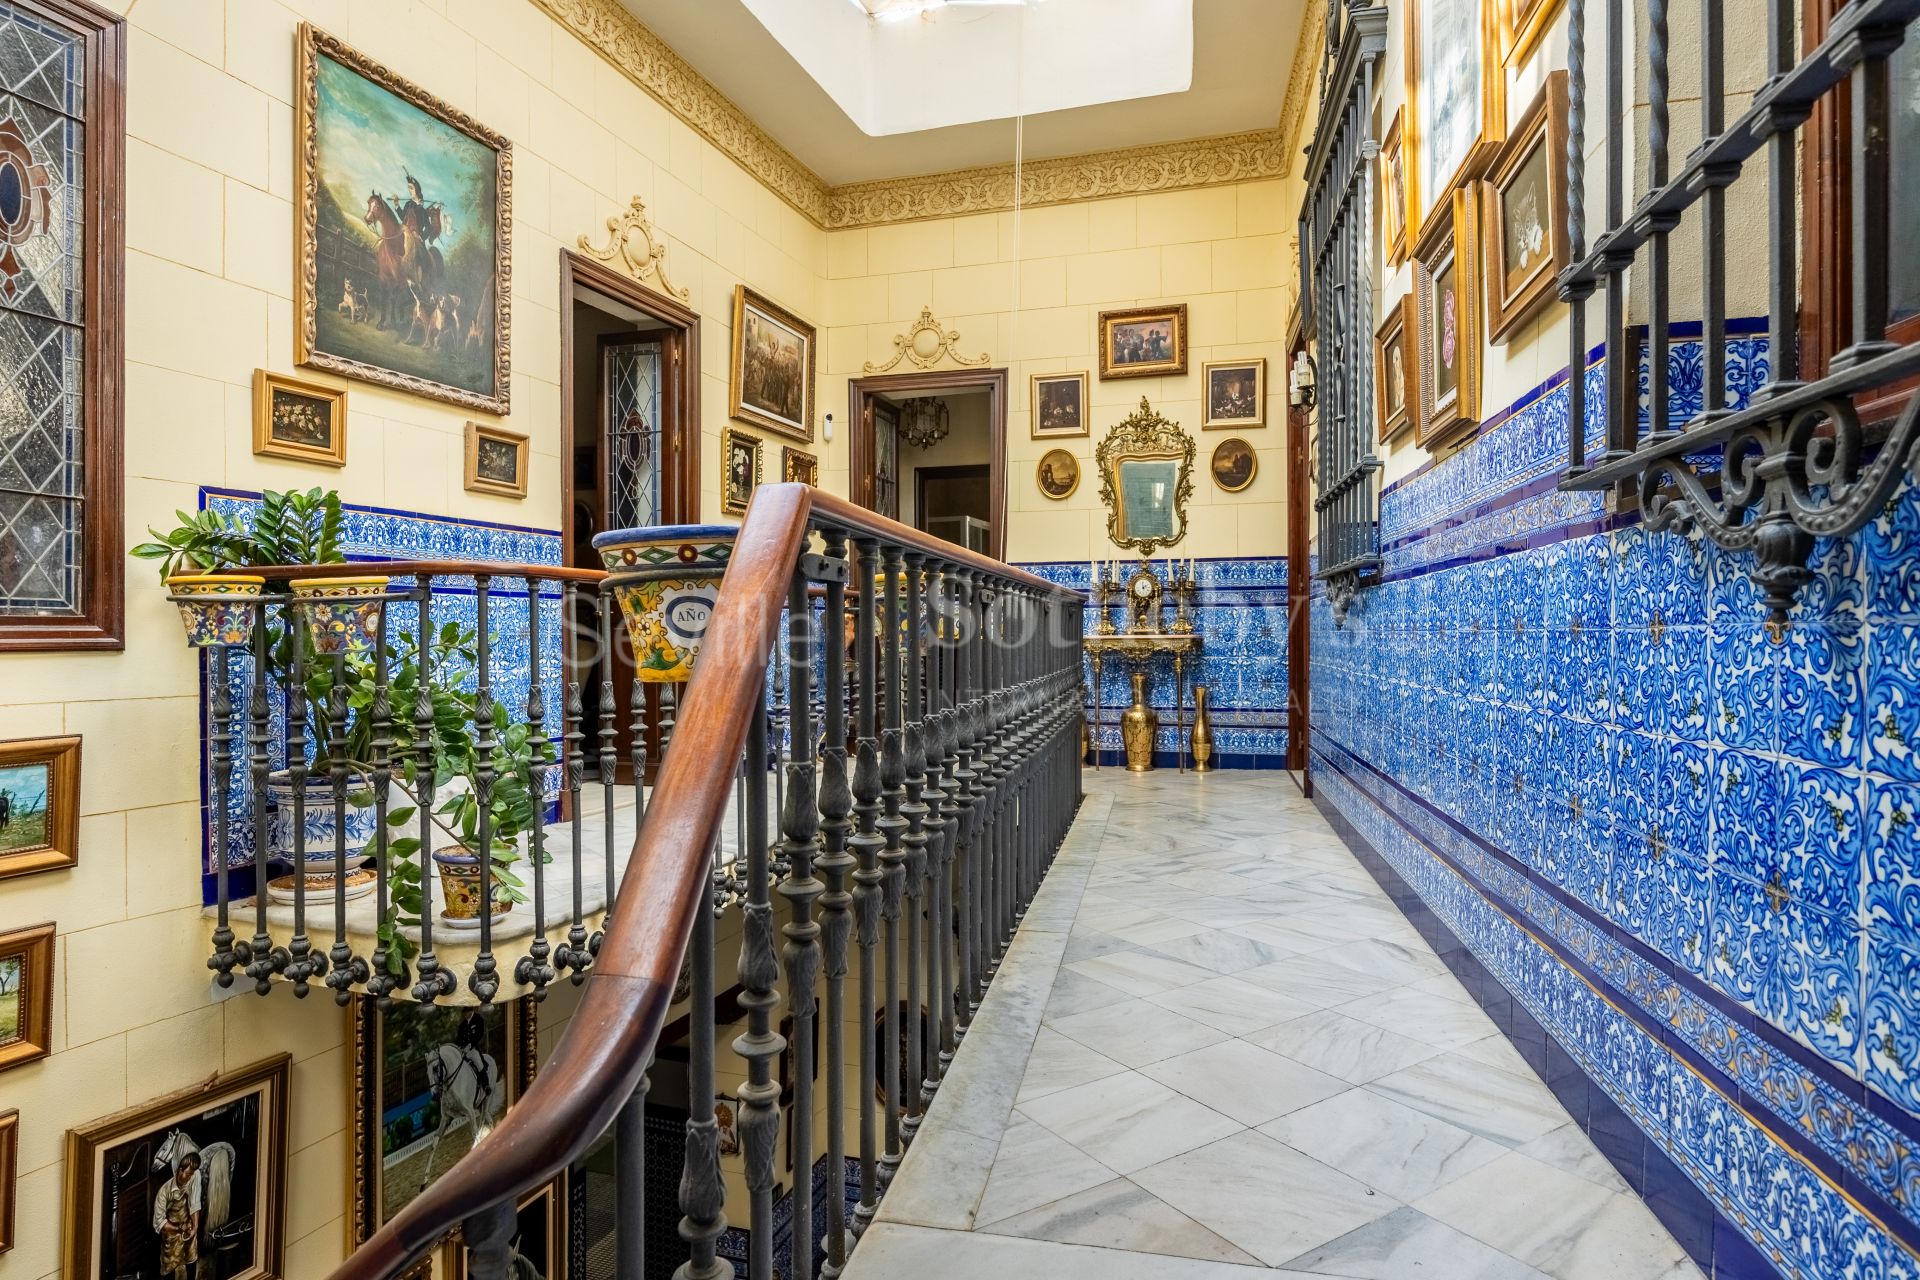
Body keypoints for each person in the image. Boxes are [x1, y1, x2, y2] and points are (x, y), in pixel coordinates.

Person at [153, 1151, 201, 1280]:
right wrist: (179, 1228)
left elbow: (195, 1203)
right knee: (170, 1265)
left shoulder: (193, 1177)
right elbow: (160, 1223)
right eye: (188, 1174)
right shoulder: (164, 1191)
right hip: (171, 1233)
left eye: (192, 1174)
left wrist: (194, 1227)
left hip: (188, 1228)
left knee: (191, 1259)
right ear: (180, 1170)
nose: (190, 1177)